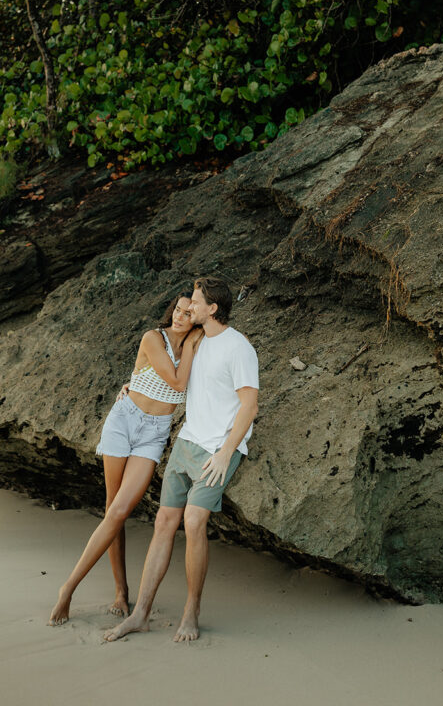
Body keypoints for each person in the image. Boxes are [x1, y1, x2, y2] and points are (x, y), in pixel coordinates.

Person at [105, 275, 258, 643]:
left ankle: (192, 611)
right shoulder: (196, 339)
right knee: (163, 522)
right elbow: (162, 372)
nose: (189, 305)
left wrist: (225, 453)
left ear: (213, 308)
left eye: (195, 300)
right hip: (188, 440)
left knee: (192, 521)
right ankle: (140, 613)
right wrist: (131, 384)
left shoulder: (239, 348)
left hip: (216, 449)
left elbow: (249, 405)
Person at [48, 291, 202, 625]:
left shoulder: (196, 347)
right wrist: (190, 345)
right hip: (124, 419)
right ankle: (108, 592)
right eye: (177, 309)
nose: (179, 316)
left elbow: (192, 383)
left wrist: (193, 344)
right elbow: (176, 382)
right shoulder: (152, 338)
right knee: (111, 510)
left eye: (188, 313)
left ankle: (70, 587)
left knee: (119, 510)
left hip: (154, 433)